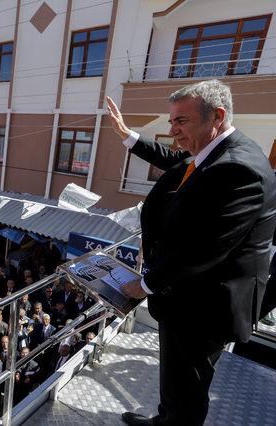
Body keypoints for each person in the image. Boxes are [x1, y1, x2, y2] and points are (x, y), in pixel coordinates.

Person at [106, 79, 276, 425]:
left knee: (188, 390)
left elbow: (206, 249)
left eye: (180, 121)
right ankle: (164, 419)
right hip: (188, 295)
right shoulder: (216, 151)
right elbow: (176, 160)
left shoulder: (238, 168)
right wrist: (127, 135)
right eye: (171, 122)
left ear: (217, 116)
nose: (173, 131)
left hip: (205, 306)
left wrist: (146, 284)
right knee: (176, 380)